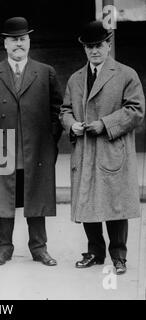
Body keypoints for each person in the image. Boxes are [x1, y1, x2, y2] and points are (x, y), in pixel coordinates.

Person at [60, 21, 145, 275]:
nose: (94, 51)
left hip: (112, 149)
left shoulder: (126, 74)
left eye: (98, 45)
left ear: (108, 45)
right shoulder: (75, 79)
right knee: (88, 203)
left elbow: (136, 110)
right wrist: (72, 124)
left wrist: (105, 124)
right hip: (85, 151)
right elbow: (64, 110)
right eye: (89, 47)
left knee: (115, 204)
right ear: (84, 49)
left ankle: (119, 256)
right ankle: (95, 253)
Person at [0, 17, 63, 267]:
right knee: (3, 201)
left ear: (29, 42)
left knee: (36, 198)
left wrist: (50, 141)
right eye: (14, 40)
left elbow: (57, 110)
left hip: (36, 150)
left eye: (23, 39)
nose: (19, 44)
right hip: (3, 150)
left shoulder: (45, 72)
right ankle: (4, 249)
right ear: (5, 44)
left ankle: (39, 248)